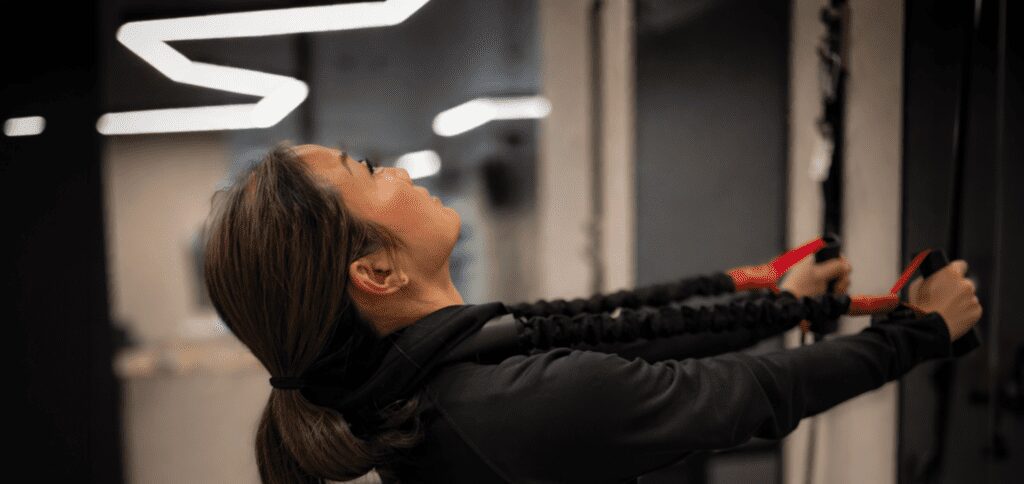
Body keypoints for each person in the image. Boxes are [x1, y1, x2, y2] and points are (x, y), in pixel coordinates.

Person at [201, 142, 982, 484]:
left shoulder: (435, 379)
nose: (399, 172)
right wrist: (922, 332)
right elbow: (750, 394)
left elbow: (609, 328)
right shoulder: (504, 406)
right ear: (375, 272)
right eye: (370, 172)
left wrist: (778, 305)